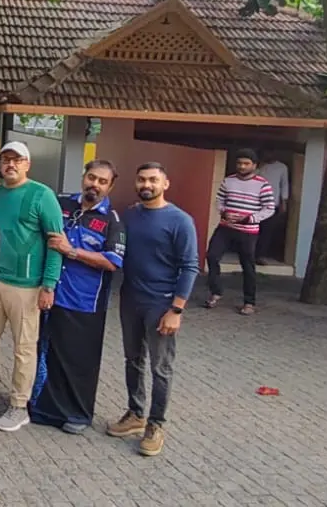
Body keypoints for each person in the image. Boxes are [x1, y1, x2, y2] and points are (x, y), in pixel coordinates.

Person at [106, 163, 199, 457]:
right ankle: (136, 414)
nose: (147, 184)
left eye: (153, 180)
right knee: (133, 359)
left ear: (165, 184)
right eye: (142, 179)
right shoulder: (130, 215)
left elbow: (190, 266)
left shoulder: (180, 221)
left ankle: (156, 424)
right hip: (131, 299)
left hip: (162, 304)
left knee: (161, 367)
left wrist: (176, 310)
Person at [31, 160, 125, 435]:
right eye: (92, 177)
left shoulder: (112, 221)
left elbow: (112, 262)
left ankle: (78, 414)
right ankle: (42, 408)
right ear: (84, 177)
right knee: (45, 353)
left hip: (84, 302)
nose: (95, 184)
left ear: (110, 187)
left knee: (79, 361)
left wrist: (71, 251)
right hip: (50, 294)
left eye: (102, 181)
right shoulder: (60, 203)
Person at [0, 141, 65, 433]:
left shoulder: (43, 195)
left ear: (27, 164)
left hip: (28, 287)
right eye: (6, 159)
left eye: (17, 160)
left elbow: (56, 243)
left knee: (24, 348)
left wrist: (48, 285)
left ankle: (19, 405)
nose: (11, 165)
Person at [204, 149, 275, 314]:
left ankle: (249, 302)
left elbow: (269, 208)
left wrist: (251, 218)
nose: (242, 166)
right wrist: (223, 211)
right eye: (239, 163)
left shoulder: (263, 184)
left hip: (248, 231)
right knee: (212, 256)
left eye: (246, 163)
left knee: (248, 266)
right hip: (225, 228)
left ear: (254, 165)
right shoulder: (228, 181)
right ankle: (216, 292)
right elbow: (219, 200)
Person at [256, 152, 290, 263]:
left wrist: (283, 202)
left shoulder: (282, 167)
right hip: (255, 203)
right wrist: (259, 167)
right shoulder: (259, 166)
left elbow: (284, 185)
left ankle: (261, 255)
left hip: (272, 203)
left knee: (267, 231)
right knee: (253, 229)